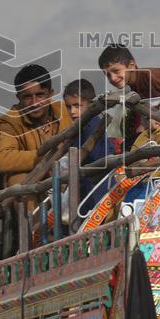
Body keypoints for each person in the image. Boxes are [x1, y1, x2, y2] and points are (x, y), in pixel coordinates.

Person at [0, 64, 72, 189]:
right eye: (27, 97)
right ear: (18, 97)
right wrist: (50, 158)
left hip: (65, 176)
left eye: (40, 95)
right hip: (32, 181)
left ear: (50, 93)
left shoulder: (65, 110)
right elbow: (4, 159)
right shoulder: (9, 120)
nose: (34, 103)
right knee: (18, 180)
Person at [98, 44, 160, 150]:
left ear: (131, 66)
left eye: (116, 71)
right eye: (107, 75)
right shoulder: (132, 89)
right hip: (157, 131)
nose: (112, 78)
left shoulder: (153, 77)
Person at [63, 78, 118, 216]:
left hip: (97, 187)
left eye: (77, 106)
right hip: (87, 187)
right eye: (69, 107)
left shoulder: (92, 126)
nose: (72, 111)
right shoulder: (80, 128)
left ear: (91, 104)